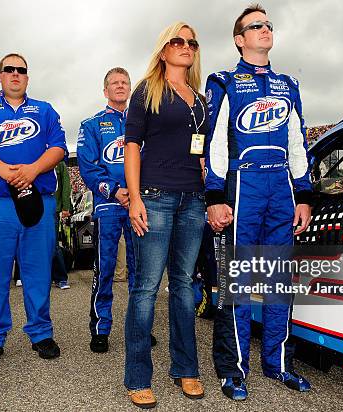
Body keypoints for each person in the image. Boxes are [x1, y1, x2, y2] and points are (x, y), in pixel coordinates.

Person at [204, 5, 313, 399]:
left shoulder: (288, 84)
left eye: (268, 25)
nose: (265, 29)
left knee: (279, 280)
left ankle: (278, 363)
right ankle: (232, 369)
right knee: (238, 281)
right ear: (240, 39)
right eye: (256, 26)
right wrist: (215, 195)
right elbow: (215, 142)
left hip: (281, 186)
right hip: (242, 183)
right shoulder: (224, 81)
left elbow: (298, 142)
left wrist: (303, 193)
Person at [0, 53, 67, 369]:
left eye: (21, 70)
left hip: (37, 199)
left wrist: (32, 170)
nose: (15, 74)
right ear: (0, 75)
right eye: (10, 69)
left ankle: (41, 332)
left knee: (37, 272)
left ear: (27, 78)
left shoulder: (44, 110)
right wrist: (4, 170)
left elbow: (59, 148)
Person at [124, 23, 208, 408]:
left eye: (191, 42)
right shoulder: (147, 90)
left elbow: (201, 152)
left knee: (185, 289)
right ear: (163, 50)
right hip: (154, 198)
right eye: (178, 41)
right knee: (145, 290)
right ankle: (138, 376)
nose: (186, 46)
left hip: (193, 199)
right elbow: (132, 146)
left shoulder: (201, 98)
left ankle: (186, 369)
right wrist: (136, 198)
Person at [77, 67, 139, 353]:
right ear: (105, 90)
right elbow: (88, 168)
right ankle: (101, 327)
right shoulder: (91, 125)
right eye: (114, 83)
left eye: (124, 82)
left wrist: (136, 194)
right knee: (105, 268)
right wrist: (115, 190)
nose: (120, 86)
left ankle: (140, 327)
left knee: (142, 271)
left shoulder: (142, 122)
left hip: (140, 206)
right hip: (109, 206)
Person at [52, 160, 71, 289]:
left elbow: (66, 184)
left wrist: (66, 207)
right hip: (33, 208)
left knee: (53, 245)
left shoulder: (59, 163)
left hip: (52, 208)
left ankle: (61, 278)